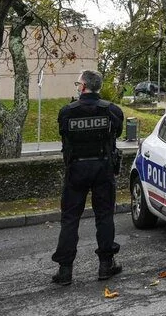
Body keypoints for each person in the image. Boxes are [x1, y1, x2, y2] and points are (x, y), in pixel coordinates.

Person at [51, 69, 125, 286]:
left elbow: (64, 136)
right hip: (103, 168)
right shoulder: (112, 110)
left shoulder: (67, 112)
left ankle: (65, 271)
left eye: (78, 83)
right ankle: (105, 265)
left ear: (83, 87)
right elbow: (117, 133)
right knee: (104, 216)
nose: (77, 86)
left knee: (70, 219)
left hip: (76, 170)